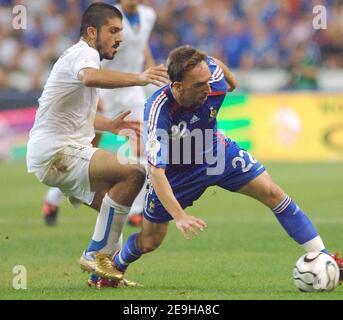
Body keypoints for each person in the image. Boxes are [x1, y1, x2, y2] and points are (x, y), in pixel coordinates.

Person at [107, 45, 343, 286]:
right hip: (177, 175)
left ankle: (326, 257)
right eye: (199, 85)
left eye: (208, 81)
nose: (208, 89)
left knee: (273, 193)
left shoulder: (214, 82)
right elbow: (156, 172)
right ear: (178, 86)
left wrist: (232, 81)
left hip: (218, 155)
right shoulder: (158, 111)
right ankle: (115, 266)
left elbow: (216, 66)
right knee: (149, 241)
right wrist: (179, 216)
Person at [26, 3, 169, 284]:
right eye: (113, 31)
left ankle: (103, 276)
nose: (120, 37)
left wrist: (109, 124)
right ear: (92, 32)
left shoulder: (84, 56)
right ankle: (95, 254)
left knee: (113, 210)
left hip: (60, 151)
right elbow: (90, 77)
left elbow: (73, 114)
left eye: (121, 31)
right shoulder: (84, 54)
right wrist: (139, 78)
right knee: (133, 172)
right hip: (57, 151)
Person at [41, 0, 157, 227]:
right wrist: (96, 96)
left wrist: (149, 67)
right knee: (85, 149)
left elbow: (141, 44)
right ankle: (53, 198)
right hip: (106, 87)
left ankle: (136, 209)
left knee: (142, 143)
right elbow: (95, 62)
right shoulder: (110, 18)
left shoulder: (148, 15)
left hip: (131, 91)